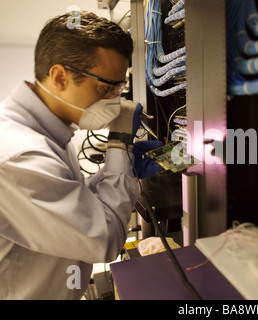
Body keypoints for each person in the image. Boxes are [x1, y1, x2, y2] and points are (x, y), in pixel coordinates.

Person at [0, 11, 162, 299]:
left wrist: (118, 171)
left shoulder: (46, 135)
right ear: (60, 76)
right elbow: (105, 242)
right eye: (105, 87)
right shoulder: (20, 155)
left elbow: (69, 201)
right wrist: (119, 141)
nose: (114, 99)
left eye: (119, 86)